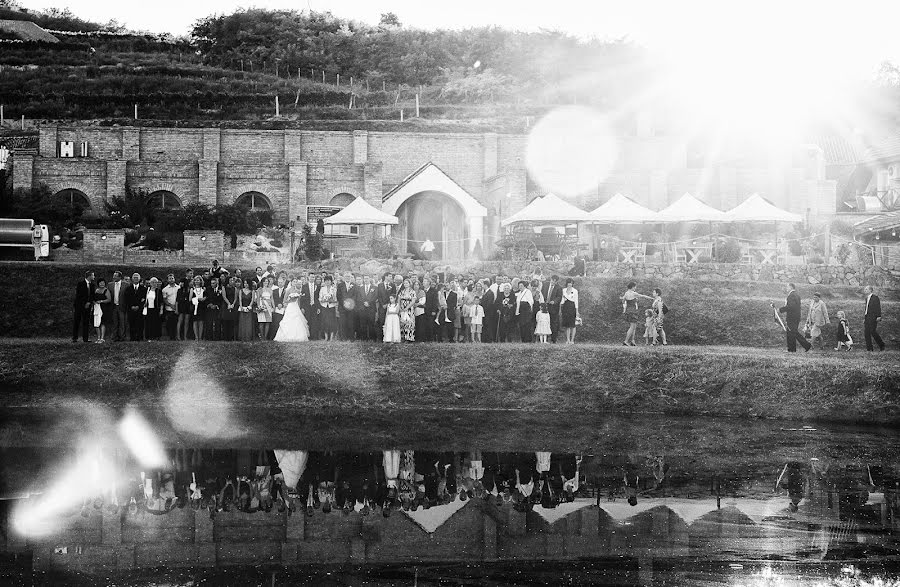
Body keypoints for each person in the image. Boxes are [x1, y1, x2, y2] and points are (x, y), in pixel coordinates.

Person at [776, 282, 811, 353]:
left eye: (787, 287)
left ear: (791, 287)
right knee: (792, 332)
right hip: (795, 317)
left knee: (792, 332)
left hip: (792, 317)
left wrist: (780, 309)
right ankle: (793, 349)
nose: (786, 288)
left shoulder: (791, 295)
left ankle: (804, 346)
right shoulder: (796, 295)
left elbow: (791, 306)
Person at [274, 278, 310, 342]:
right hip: (290, 307)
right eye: (294, 281)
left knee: (297, 320)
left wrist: (299, 307)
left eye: (296, 282)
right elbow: (284, 300)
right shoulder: (288, 290)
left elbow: (299, 301)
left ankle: (298, 336)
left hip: (296, 307)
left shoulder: (298, 291)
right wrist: (290, 300)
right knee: (288, 320)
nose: (295, 283)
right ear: (291, 282)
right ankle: (287, 336)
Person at [621, 282, 653, 346]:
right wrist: (651, 298)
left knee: (634, 326)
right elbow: (643, 296)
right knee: (632, 327)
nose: (635, 288)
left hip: (628, 311)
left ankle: (633, 341)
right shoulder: (633, 293)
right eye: (635, 287)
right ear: (632, 287)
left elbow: (623, 301)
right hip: (633, 311)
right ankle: (626, 341)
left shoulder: (626, 293)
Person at [73, 270, 95, 343]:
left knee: (86, 322)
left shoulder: (92, 285)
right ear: (89, 276)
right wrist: (84, 303)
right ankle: (74, 337)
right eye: (93, 275)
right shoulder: (81, 284)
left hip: (87, 306)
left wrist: (89, 302)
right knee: (77, 321)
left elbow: (92, 295)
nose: (94, 277)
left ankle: (85, 338)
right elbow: (79, 295)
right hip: (79, 306)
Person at [125, 272, 147, 342]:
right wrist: (131, 306)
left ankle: (140, 337)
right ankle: (132, 338)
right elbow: (127, 299)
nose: (136, 278)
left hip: (139, 309)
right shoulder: (128, 288)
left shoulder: (143, 289)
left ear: (139, 279)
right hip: (131, 309)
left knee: (140, 324)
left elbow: (144, 299)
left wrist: (138, 306)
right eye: (134, 277)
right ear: (132, 279)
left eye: (137, 277)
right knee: (132, 323)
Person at [863, 285, 884, 352]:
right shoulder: (866, 298)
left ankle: (881, 344)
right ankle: (869, 349)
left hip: (873, 317)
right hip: (867, 317)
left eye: (866, 289)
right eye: (865, 289)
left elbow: (878, 307)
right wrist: (865, 317)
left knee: (872, 331)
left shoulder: (875, 298)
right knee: (866, 333)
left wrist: (879, 316)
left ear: (870, 290)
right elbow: (867, 309)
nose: (865, 290)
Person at [541, 275, 563, 343]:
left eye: (555, 281)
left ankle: (554, 339)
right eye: (552, 280)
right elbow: (542, 293)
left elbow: (559, 297)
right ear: (551, 279)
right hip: (545, 307)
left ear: (557, 282)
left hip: (553, 308)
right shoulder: (545, 285)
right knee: (544, 322)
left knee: (553, 323)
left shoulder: (559, 288)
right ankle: (544, 339)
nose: (553, 282)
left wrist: (554, 301)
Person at [356, 275, 378, 341]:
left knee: (371, 323)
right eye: (364, 279)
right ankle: (364, 338)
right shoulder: (360, 288)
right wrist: (364, 303)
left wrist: (369, 303)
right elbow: (358, 297)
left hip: (371, 308)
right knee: (363, 323)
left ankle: (372, 338)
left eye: (367, 278)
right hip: (362, 308)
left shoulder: (374, 288)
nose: (366, 280)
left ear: (370, 279)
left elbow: (375, 296)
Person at [91, 277, 112, 343]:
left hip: (104, 308)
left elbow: (109, 299)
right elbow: (93, 298)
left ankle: (102, 338)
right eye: (100, 283)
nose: (102, 284)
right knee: (97, 323)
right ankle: (98, 337)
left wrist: (102, 301)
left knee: (103, 323)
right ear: (98, 284)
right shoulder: (96, 290)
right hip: (97, 308)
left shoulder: (106, 290)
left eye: (103, 283)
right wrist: (94, 302)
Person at [143, 277, 164, 341]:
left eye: (155, 282)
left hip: (156, 309)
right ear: (150, 283)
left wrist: (161, 310)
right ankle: (149, 337)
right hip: (148, 309)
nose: (154, 283)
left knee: (156, 323)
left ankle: (156, 336)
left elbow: (161, 302)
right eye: (152, 282)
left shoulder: (159, 291)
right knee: (148, 323)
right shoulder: (147, 290)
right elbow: (144, 298)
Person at [319, 275, 339, 341]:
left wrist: (331, 300)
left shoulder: (334, 289)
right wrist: (324, 300)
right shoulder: (322, 289)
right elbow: (320, 298)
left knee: (332, 322)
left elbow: (336, 299)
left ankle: (331, 337)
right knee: (325, 322)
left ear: (331, 281)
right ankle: (326, 337)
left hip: (331, 307)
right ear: (324, 282)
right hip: (324, 307)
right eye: (326, 281)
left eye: (329, 280)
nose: (327, 282)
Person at [560, 278, 580, 344]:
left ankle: (572, 340)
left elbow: (576, 301)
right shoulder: (564, 290)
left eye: (571, 283)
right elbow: (562, 300)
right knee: (567, 325)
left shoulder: (575, 291)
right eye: (569, 283)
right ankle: (568, 340)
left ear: (572, 284)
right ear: (567, 283)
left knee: (573, 324)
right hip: (565, 307)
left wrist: (577, 311)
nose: (570, 284)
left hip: (572, 307)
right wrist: (560, 308)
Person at [110, 271, 128, 342]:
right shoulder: (110, 285)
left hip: (122, 307)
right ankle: (114, 337)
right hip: (114, 307)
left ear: (120, 277)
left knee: (122, 323)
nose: (114, 277)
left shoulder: (126, 285)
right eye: (114, 275)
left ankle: (122, 337)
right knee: (115, 323)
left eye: (115, 276)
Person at [255, 276, 274, 341]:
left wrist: (273, 307)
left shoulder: (270, 290)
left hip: (268, 307)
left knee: (268, 322)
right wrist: (259, 306)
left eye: (267, 281)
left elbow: (272, 299)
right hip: (262, 306)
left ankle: (265, 337)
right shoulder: (259, 290)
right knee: (261, 322)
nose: (266, 282)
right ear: (262, 282)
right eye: (265, 281)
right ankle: (262, 337)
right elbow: (257, 299)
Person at [176, 270, 193, 341]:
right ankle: (178, 336)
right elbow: (177, 300)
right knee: (180, 320)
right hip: (181, 306)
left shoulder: (190, 290)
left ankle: (185, 336)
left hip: (188, 306)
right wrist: (177, 309)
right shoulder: (180, 290)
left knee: (186, 321)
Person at [204, 277, 224, 341]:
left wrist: (216, 305)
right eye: (211, 283)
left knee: (217, 323)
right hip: (210, 308)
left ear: (217, 283)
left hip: (217, 308)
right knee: (209, 323)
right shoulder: (208, 289)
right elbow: (206, 298)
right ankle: (209, 337)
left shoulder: (221, 289)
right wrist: (209, 304)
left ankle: (217, 338)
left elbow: (222, 299)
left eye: (213, 283)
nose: (212, 284)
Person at [161, 274, 180, 341]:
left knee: (177, 323)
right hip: (169, 309)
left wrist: (176, 306)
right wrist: (171, 305)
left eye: (172, 278)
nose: (171, 279)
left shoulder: (178, 287)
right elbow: (165, 300)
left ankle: (177, 336)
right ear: (167, 280)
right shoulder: (164, 289)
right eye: (170, 278)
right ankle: (171, 337)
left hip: (177, 308)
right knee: (170, 323)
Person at [189, 276, 206, 342]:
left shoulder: (203, 289)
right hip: (195, 307)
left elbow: (206, 296)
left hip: (201, 307)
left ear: (201, 281)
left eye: (198, 280)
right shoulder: (192, 289)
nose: (197, 281)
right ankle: (196, 337)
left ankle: (200, 337)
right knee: (195, 322)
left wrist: (204, 298)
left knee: (201, 322)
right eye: (195, 280)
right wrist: (198, 299)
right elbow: (190, 299)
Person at [221, 276, 238, 342]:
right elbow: (224, 296)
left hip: (233, 305)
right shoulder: (224, 288)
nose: (232, 282)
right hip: (226, 305)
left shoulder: (235, 288)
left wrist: (233, 304)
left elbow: (235, 297)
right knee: (226, 321)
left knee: (232, 322)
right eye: (231, 280)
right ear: (228, 281)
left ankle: (231, 337)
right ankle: (226, 337)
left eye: (233, 280)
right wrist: (229, 304)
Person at [270, 275, 287, 341]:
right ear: (277, 283)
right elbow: (273, 299)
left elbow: (285, 299)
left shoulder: (286, 290)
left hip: (283, 308)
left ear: (284, 283)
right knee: (275, 322)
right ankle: (274, 336)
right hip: (276, 308)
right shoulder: (274, 290)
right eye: (279, 282)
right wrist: (277, 305)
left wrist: (282, 305)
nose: (280, 283)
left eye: (281, 282)